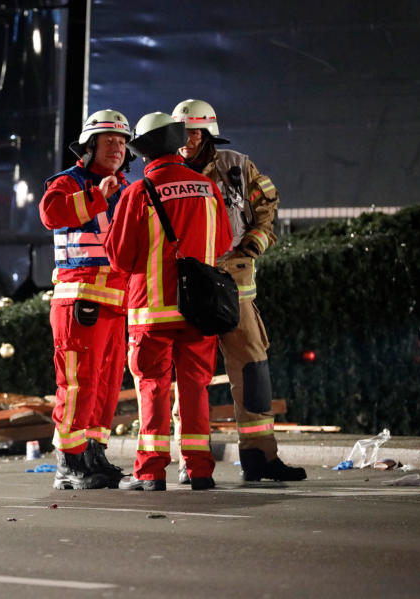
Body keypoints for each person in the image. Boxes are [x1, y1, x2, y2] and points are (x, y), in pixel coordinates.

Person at [171, 99, 306, 483]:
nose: (187, 140)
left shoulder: (237, 166)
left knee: (252, 368)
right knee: (189, 376)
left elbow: (267, 207)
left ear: (209, 133)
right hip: (191, 281)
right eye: (181, 132)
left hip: (235, 281)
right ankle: (190, 460)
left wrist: (253, 245)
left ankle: (260, 457)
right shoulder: (167, 170)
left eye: (195, 131)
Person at [104, 112, 232, 491]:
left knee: (153, 389)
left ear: (144, 151)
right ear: (177, 144)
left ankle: (150, 472)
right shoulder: (208, 188)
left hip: (151, 312)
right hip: (201, 311)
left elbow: (120, 258)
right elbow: (223, 243)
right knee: (195, 388)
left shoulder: (138, 192)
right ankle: (199, 469)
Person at [39, 109, 133, 489]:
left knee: (106, 383)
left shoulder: (128, 188)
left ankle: (93, 454)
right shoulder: (67, 182)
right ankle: (69, 461)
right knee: (78, 382)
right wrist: (96, 196)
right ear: (90, 145)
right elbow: (50, 214)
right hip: (80, 301)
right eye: (110, 141)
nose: (118, 148)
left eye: (123, 142)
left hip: (116, 303)